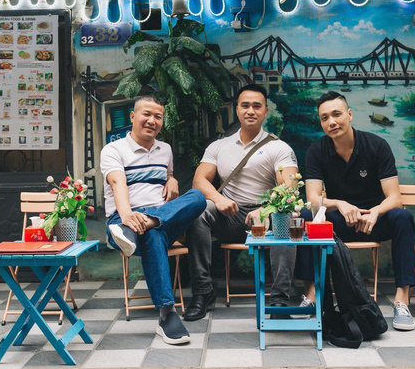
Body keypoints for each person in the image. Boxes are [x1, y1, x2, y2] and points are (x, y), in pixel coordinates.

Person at [298, 91, 415, 331]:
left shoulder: (376, 145)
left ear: (349, 114)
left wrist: (375, 212)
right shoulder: (316, 151)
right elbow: (312, 199)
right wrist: (338, 204)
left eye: (336, 114)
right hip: (339, 223)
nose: (331, 122)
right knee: (305, 216)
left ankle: (402, 300)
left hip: (374, 221)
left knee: (403, 217)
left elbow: (395, 197)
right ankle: (311, 295)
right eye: (324, 118)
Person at [183, 84, 300, 321]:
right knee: (198, 210)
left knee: (285, 217)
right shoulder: (219, 146)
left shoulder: (279, 147)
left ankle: (279, 299)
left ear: (266, 111)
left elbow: (290, 188)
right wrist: (218, 199)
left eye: (257, 106)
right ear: (237, 110)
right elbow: (199, 180)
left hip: (264, 217)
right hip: (230, 214)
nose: (250, 111)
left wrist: (266, 209)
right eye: (245, 105)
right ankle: (203, 291)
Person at [101, 95, 206, 345]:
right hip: (123, 220)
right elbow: (118, 182)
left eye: (158, 117)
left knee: (199, 197)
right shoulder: (114, 150)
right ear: (133, 117)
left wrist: (172, 179)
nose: (152, 121)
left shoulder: (165, 149)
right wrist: (127, 216)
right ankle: (167, 314)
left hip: (160, 218)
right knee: (153, 234)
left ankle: (149, 222)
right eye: (146, 114)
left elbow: (167, 175)